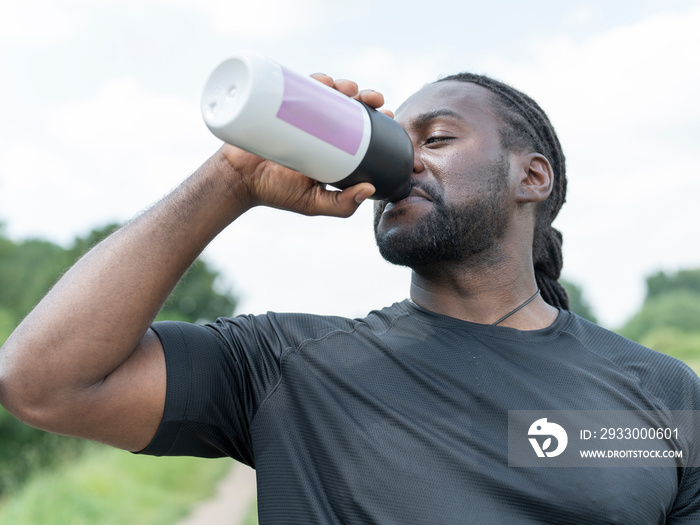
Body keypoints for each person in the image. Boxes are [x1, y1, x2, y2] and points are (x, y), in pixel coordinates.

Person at [0, 70, 699, 524]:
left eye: (439, 138)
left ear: (532, 177)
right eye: (396, 139)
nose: (405, 159)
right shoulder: (288, 366)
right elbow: (41, 381)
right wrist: (231, 179)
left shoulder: (661, 390)